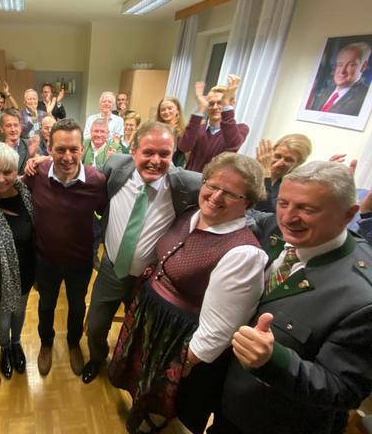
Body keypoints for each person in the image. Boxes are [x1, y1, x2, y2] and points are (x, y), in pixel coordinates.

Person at [109, 152, 267, 434]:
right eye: (212, 185)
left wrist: (184, 363)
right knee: (141, 379)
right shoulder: (190, 213)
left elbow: (220, 329)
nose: (215, 196)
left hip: (179, 338)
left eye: (230, 193)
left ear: (249, 202)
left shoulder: (244, 253)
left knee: (164, 395)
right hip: (153, 317)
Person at [212, 161, 372, 434]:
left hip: (273, 423)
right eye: (283, 203)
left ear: (348, 215)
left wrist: (274, 360)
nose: (288, 217)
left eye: (306, 209)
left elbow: (344, 389)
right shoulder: (275, 231)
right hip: (228, 402)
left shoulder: (362, 299)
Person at [82, 121, 201, 385]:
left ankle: (127, 370)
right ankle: (97, 359)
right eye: (148, 152)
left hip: (149, 280)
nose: (155, 161)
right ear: (133, 151)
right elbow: (85, 180)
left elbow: (223, 190)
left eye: (164, 154)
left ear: (173, 154)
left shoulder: (187, 184)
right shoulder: (115, 166)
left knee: (140, 333)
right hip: (111, 270)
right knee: (96, 325)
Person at [23, 118, 107, 376]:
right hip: (45, 259)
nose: (67, 157)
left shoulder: (97, 181)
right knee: (46, 305)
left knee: (77, 306)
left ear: (82, 148)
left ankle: (73, 343)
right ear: (49, 148)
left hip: (80, 261)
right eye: (60, 149)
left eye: (73, 149)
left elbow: (107, 213)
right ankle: (46, 344)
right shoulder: (36, 174)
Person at [0, 142, 36, 380]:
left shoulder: (27, 193)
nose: (1, 179)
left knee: (19, 313)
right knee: (2, 321)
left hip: (25, 271)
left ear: (16, 171)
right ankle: (4, 347)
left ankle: (16, 343)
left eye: (7, 172)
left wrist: (40, 159)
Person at [178, 76, 249, 173]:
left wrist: (226, 105)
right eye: (211, 103)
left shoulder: (241, 128)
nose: (215, 107)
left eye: (220, 103)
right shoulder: (198, 128)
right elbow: (184, 147)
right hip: (190, 180)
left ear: (231, 103)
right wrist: (201, 107)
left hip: (215, 181)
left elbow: (233, 145)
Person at [308, 41, 371, 116]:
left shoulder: (365, 98)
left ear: (363, 66)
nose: (342, 71)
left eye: (351, 65)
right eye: (340, 64)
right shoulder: (325, 91)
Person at [253, 133, 312, 212]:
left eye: (288, 160)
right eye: (277, 156)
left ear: (298, 164)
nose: (279, 163)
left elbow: (266, 212)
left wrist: (266, 173)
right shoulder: (250, 171)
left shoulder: (292, 188)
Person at [157, 97, 187, 167]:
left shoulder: (183, 132)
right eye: (163, 109)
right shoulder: (155, 129)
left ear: (177, 110)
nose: (166, 112)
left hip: (174, 169)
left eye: (170, 108)